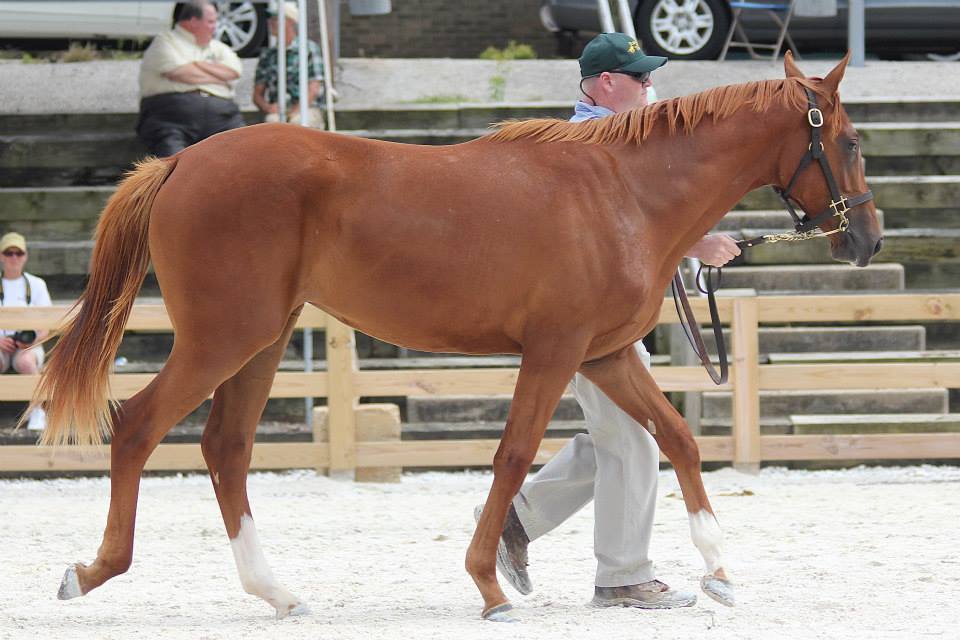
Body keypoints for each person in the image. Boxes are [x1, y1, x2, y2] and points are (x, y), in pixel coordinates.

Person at [479, 32, 741, 610]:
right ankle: (623, 574)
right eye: (640, 78)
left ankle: (514, 518)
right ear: (605, 84)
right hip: (581, 320)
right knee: (633, 441)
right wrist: (697, 244)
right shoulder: (584, 143)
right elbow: (617, 231)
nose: (651, 87)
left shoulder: (620, 141)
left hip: (607, 319)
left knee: (623, 438)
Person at [136, 0, 245, 157]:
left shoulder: (219, 48)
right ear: (193, 21)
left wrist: (195, 64)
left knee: (244, 157)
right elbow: (179, 72)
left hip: (223, 117)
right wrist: (218, 78)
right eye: (211, 21)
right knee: (176, 169)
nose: (216, 26)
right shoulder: (165, 42)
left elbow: (233, 72)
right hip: (173, 117)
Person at [0, 233, 53, 431]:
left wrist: (30, 341)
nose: (14, 258)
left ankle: (38, 410)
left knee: (25, 361)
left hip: (30, 345)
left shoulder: (37, 284)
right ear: (1, 256)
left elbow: (45, 328)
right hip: (1, 344)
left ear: (25, 256)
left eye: (18, 253)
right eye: (9, 253)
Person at [253, 2, 325, 128]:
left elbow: (313, 88)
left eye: (276, 19)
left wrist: (294, 112)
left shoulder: (309, 49)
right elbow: (257, 94)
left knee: (297, 124)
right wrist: (268, 107)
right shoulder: (268, 55)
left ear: (290, 21)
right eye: (271, 19)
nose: (271, 23)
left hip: (307, 108)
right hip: (278, 110)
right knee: (273, 123)